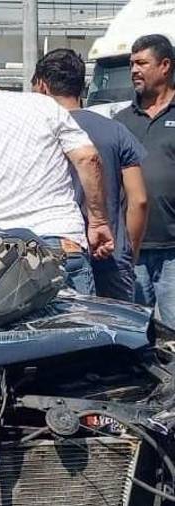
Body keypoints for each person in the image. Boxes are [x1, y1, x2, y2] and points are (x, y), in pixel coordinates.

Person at [0, 43, 114, 294]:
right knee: (79, 331)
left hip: (0, 261)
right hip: (62, 245)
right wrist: (98, 221)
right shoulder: (43, 106)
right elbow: (88, 158)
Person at [33, 48, 148, 302]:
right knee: (121, 333)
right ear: (82, 85)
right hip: (112, 256)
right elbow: (138, 199)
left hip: (61, 252)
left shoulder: (36, 134)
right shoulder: (116, 130)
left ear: (41, 86)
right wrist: (129, 250)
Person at [117, 34, 175, 319]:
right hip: (133, 251)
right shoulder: (121, 121)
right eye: (132, 64)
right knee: (137, 332)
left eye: (142, 63)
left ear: (165, 66)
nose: (134, 70)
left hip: (173, 252)